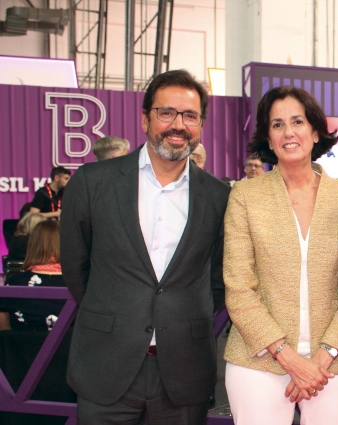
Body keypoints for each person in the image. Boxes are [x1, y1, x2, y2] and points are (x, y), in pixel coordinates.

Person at [60, 69, 230, 425]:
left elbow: (218, 276)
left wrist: (180, 316)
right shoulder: (93, 183)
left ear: (200, 124)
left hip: (183, 371)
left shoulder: (219, 196)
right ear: (145, 118)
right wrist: (115, 310)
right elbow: (77, 267)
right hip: (106, 365)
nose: (178, 125)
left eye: (190, 116)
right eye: (166, 112)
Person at [223, 86, 338, 425]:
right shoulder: (246, 195)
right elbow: (239, 287)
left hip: (334, 362)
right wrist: (290, 361)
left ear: (315, 131)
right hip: (258, 361)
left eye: (297, 121)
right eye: (277, 125)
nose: (288, 132)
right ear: (268, 139)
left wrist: (323, 357)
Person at [0, 220, 66, 332]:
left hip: (23, 348)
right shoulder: (80, 284)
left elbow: (4, 331)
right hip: (69, 348)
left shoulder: (14, 283)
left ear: (32, 245)